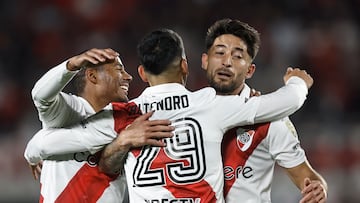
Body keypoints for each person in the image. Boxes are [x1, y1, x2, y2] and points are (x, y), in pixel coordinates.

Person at [97, 28, 313, 202]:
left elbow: (102, 166)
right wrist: (298, 81)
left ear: (142, 73)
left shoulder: (120, 115)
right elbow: (289, 101)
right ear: (185, 66)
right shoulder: (210, 103)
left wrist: (122, 141)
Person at [201, 18, 328, 202]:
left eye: (237, 56)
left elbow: (308, 177)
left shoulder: (272, 119)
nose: (226, 62)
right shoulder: (187, 112)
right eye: (220, 53)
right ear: (205, 61)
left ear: (250, 70)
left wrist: (319, 188)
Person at [24, 48, 174, 203]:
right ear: (92, 76)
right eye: (119, 70)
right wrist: (71, 65)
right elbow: (40, 96)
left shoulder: (129, 121)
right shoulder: (69, 111)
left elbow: (40, 145)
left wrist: (36, 147)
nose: (128, 77)